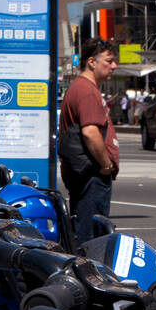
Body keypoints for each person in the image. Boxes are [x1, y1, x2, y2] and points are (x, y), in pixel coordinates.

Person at [58, 37, 119, 246]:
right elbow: (90, 132)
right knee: (92, 237)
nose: (114, 66)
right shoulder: (86, 91)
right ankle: (90, 275)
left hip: (85, 173)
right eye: (109, 61)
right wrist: (106, 164)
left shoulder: (81, 87)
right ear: (92, 62)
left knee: (84, 230)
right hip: (91, 174)